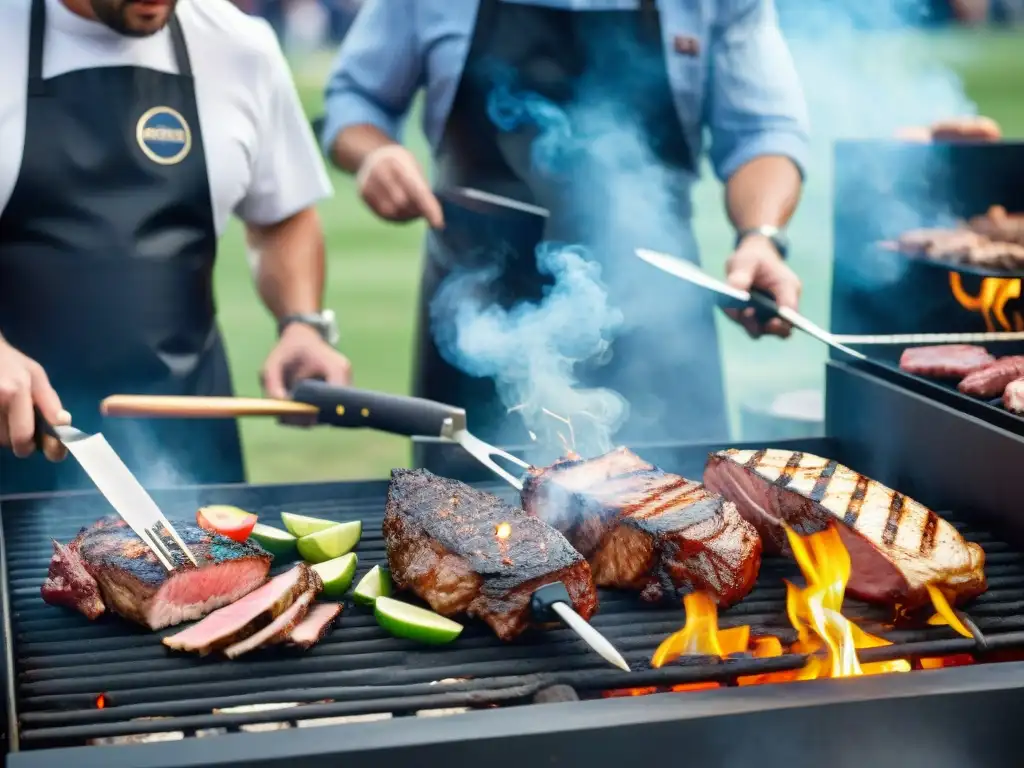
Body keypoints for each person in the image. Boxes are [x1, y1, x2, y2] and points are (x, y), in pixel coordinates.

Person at [322, 0, 809, 461]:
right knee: (462, 527)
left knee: (685, 517)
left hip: (656, 312)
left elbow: (762, 131)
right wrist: (375, 154)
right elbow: (355, 99)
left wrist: (761, 235)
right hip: (475, 312)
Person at [0, 0, 352, 495]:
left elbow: (283, 215)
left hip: (192, 441)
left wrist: (301, 322)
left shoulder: (239, 45)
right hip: (19, 437)